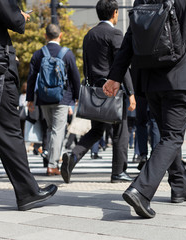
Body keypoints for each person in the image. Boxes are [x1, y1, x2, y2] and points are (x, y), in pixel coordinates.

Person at [103, 0, 186, 218]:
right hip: (178, 77)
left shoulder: (142, 0)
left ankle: (179, 187)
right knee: (172, 137)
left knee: (167, 137)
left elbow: (130, 39)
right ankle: (141, 190)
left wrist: (115, 76)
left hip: (151, 80)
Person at [0, 0, 57, 210]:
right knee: (9, 133)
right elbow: (14, 19)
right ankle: (28, 192)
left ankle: (28, 190)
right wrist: (21, 14)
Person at [61, 0, 136, 184]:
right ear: (115, 13)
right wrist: (131, 92)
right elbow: (122, 65)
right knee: (120, 131)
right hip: (113, 91)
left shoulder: (89, 35)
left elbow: (87, 66)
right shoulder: (115, 34)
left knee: (96, 130)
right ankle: (118, 172)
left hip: (95, 92)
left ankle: (74, 156)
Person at [26, 24, 80, 176]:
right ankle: (52, 164)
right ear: (60, 35)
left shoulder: (38, 54)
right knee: (57, 130)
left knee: (50, 129)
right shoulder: (67, 54)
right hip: (62, 98)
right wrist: (77, 97)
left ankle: (51, 159)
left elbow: (31, 78)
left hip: (43, 98)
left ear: (45, 36)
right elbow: (75, 78)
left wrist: (30, 99)